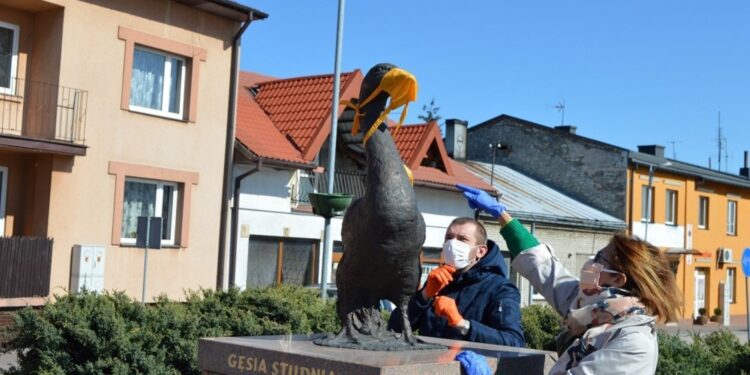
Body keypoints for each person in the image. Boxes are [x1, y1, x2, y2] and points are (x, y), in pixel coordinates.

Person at [457, 184, 682, 374]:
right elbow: (543, 267)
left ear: (618, 280)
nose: (591, 262)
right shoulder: (592, 310)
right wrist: (500, 214)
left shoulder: (633, 342)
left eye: (599, 258)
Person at [388, 216, 525, 347]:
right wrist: (424, 296)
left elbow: (513, 341)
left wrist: (462, 324)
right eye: (449, 238)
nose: (452, 244)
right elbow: (394, 327)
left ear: (480, 251)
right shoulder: (438, 281)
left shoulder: (500, 288)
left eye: (462, 239)